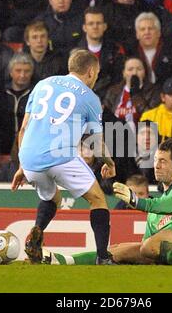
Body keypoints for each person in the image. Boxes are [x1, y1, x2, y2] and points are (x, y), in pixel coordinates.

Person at [34, 138, 172, 266]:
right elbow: (148, 251)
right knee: (117, 250)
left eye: (164, 162)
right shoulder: (156, 210)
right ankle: (62, 260)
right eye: (156, 161)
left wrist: (138, 202)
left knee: (150, 245)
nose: (157, 166)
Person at [11, 49, 117, 265]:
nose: (96, 78)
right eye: (96, 74)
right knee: (97, 200)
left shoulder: (42, 84)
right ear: (90, 71)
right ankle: (103, 257)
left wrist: (22, 166)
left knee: (53, 199)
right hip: (60, 156)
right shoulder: (90, 98)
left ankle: (37, 231)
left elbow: (23, 129)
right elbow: (96, 143)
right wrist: (110, 162)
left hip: (29, 158)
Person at [77, 6, 125, 98]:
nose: (95, 27)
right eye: (91, 24)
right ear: (84, 27)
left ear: (104, 26)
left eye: (98, 23)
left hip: (108, 102)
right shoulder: (75, 52)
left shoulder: (116, 50)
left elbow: (119, 81)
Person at [103, 57, 160, 125]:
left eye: (139, 69)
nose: (134, 73)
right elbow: (106, 119)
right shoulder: (113, 91)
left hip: (142, 133)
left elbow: (152, 120)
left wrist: (136, 96)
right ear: (124, 73)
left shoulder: (153, 92)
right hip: (117, 133)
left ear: (145, 72)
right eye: (130, 69)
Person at [0, 53, 35, 154]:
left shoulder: (37, 94)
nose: (22, 75)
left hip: (29, 144)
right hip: (3, 144)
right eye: (18, 71)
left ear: (32, 72)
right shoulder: (1, 93)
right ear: (10, 72)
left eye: (27, 71)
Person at [23, 20, 67, 85]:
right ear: (27, 41)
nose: (39, 41)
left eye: (43, 36)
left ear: (48, 39)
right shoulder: (21, 62)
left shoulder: (59, 61)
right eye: (34, 37)